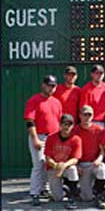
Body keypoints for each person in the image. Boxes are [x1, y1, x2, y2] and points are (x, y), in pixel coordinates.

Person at [24, 75, 62, 206]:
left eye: (54, 86)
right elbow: (30, 122)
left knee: (48, 165)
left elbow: (59, 121)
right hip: (39, 136)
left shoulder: (57, 102)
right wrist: (35, 139)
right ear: (43, 85)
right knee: (39, 164)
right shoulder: (34, 100)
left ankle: (44, 189)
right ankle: (34, 193)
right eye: (49, 85)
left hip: (53, 138)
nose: (52, 88)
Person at [72, 105, 105, 209]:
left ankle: (99, 195)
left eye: (89, 115)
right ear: (80, 116)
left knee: (102, 169)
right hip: (82, 165)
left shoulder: (99, 130)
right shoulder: (75, 130)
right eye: (84, 115)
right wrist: (77, 165)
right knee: (86, 198)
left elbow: (102, 150)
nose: (87, 117)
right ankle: (79, 191)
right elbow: (71, 151)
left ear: (92, 116)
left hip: (94, 163)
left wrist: (99, 159)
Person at [44, 114, 82, 209]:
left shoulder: (76, 139)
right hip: (54, 168)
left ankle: (72, 197)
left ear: (73, 126)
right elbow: (48, 158)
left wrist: (63, 165)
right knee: (58, 198)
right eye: (64, 124)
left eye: (69, 124)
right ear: (60, 124)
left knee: (73, 169)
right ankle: (65, 188)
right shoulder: (51, 137)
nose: (66, 127)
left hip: (67, 167)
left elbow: (75, 159)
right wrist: (57, 165)